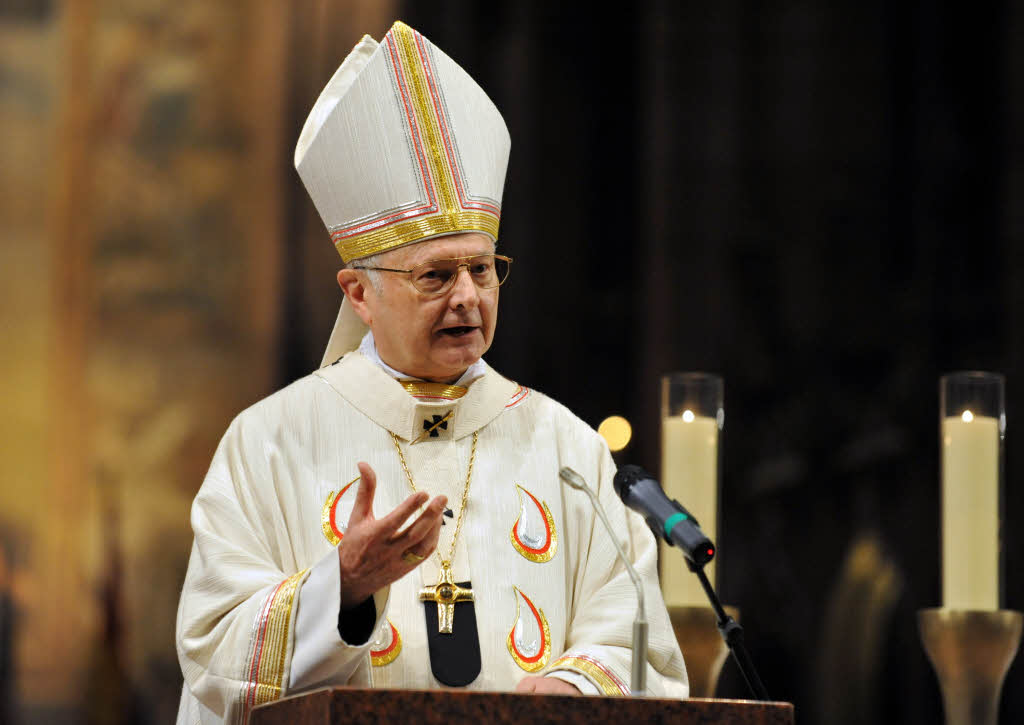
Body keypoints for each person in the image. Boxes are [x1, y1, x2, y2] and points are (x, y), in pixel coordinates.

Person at [175, 21, 687, 724]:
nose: (468, 297)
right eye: (435, 276)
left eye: (482, 269)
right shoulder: (268, 444)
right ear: (358, 293)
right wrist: (344, 586)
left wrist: (575, 686)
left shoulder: (569, 452)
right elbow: (214, 654)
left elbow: (631, 625)